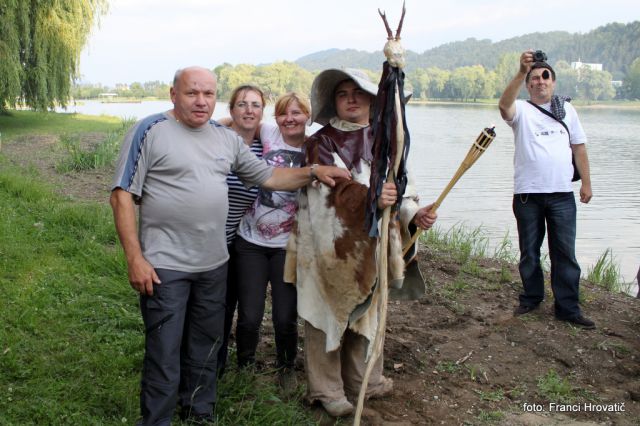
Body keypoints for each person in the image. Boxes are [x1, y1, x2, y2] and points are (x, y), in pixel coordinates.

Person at [109, 66, 350, 425]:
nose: (201, 101)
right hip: (164, 266)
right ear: (173, 94)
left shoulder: (225, 139)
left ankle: (199, 413)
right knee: (164, 349)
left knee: (205, 346)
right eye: (192, 93)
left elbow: (269, 176)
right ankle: (157, 419)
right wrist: (134, 258)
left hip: (214, 264)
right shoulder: (150, 130)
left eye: (208, 94)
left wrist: (313, 172)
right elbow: (122, 196)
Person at [284, 68, 437, 417]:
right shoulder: (319, 142)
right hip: (330, 245)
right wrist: (372, 199)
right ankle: (327, 390)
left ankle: (364, 382)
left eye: (358, 92)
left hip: (375, 244)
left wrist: (414, 214)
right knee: (327, 313)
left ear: (372, 99)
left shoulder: (389, 140)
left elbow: (402, 190)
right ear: (333, 102)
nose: (351, 99)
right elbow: (332, 192)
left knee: (369, 311)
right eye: (342, 93)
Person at [498, 50, 594, 329]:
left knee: (564, 253)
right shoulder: (522, 111)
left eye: (546, 77)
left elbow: (579, 147)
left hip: (562, 194)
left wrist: (586, 183)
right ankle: (531, 298)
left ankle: (567, 308)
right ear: (528, 85)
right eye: (534, 78)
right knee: (529, 251)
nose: (540, 81)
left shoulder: (568, 110)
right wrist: (519, 71)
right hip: (528, 194)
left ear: (553, 82)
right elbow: (504, 105)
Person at [233, 93, 310, 392]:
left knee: (284, 316)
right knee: (250, 315)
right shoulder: (268, 132)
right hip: (249, 241)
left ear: (308, 115)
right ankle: (245, 365)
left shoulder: (316, 146)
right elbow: (239, 120)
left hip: (287, 246)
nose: (289, 118)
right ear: (275, 118)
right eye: (283, 113)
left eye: (297, 113)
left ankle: (287, 368)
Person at [217, 84, 266, 379]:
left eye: (255, 105)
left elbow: (298, 136)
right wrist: (227, 125)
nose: (249, 110)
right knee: (217, 308)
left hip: (242, 242)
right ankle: (214, 364)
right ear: (231, 109)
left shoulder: (265, 147)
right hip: (210, 239)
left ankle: (241, 364)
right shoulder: (216, 139)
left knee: (237, 303)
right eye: (242, 104)